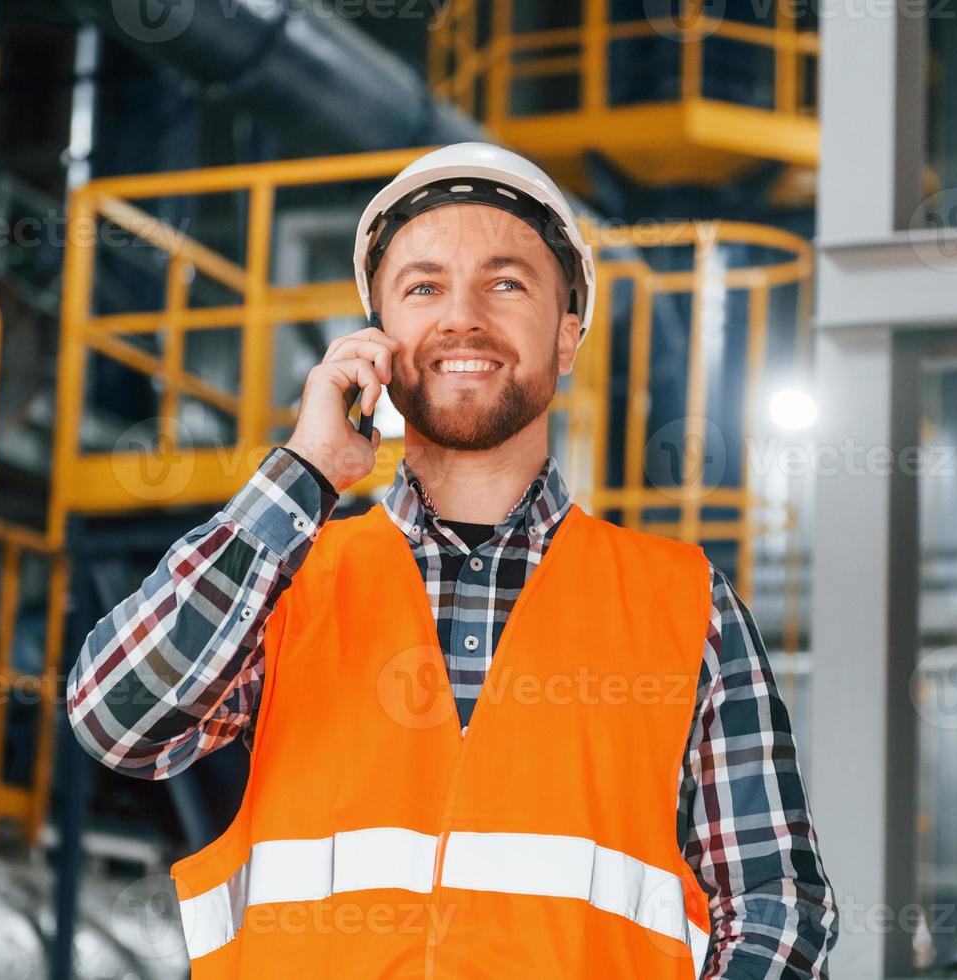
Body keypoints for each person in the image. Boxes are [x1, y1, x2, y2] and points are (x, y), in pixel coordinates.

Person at [66, 142, 839, 978]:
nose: (463, 316)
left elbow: (776, 906)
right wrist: (303, 474)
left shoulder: (686, 603)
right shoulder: (288, 579)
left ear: (568, 336)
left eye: (507, 283)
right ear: (379, 340)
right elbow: (120, 719)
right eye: (423, 287)